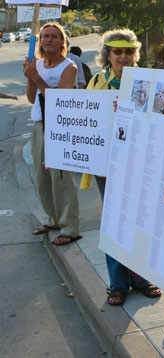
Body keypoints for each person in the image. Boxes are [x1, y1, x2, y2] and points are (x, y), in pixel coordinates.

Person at [80, 29, 162, 306]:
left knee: (140, 220)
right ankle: (117, 284)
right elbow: (86, 122)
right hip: (108, 162)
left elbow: (160, 119)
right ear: (108, 55)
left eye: (128, 51)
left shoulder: (151, 80)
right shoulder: (96, 81)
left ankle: (141, 279)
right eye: (117, 52)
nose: (124, 56)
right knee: (114, 222)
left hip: (140, 161)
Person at [23, 22, 81, 246]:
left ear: (62, 42)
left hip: (60, 127)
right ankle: (53, 219)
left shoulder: (69, 67)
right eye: (45, 36)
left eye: (54, 37)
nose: (48, 40)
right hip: (39, 124)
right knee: (42, 176)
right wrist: (30, 75)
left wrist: (36, 77)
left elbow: (61, 101)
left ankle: (70, 227)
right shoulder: (37, 64)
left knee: (61, 177)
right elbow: (31, 98)